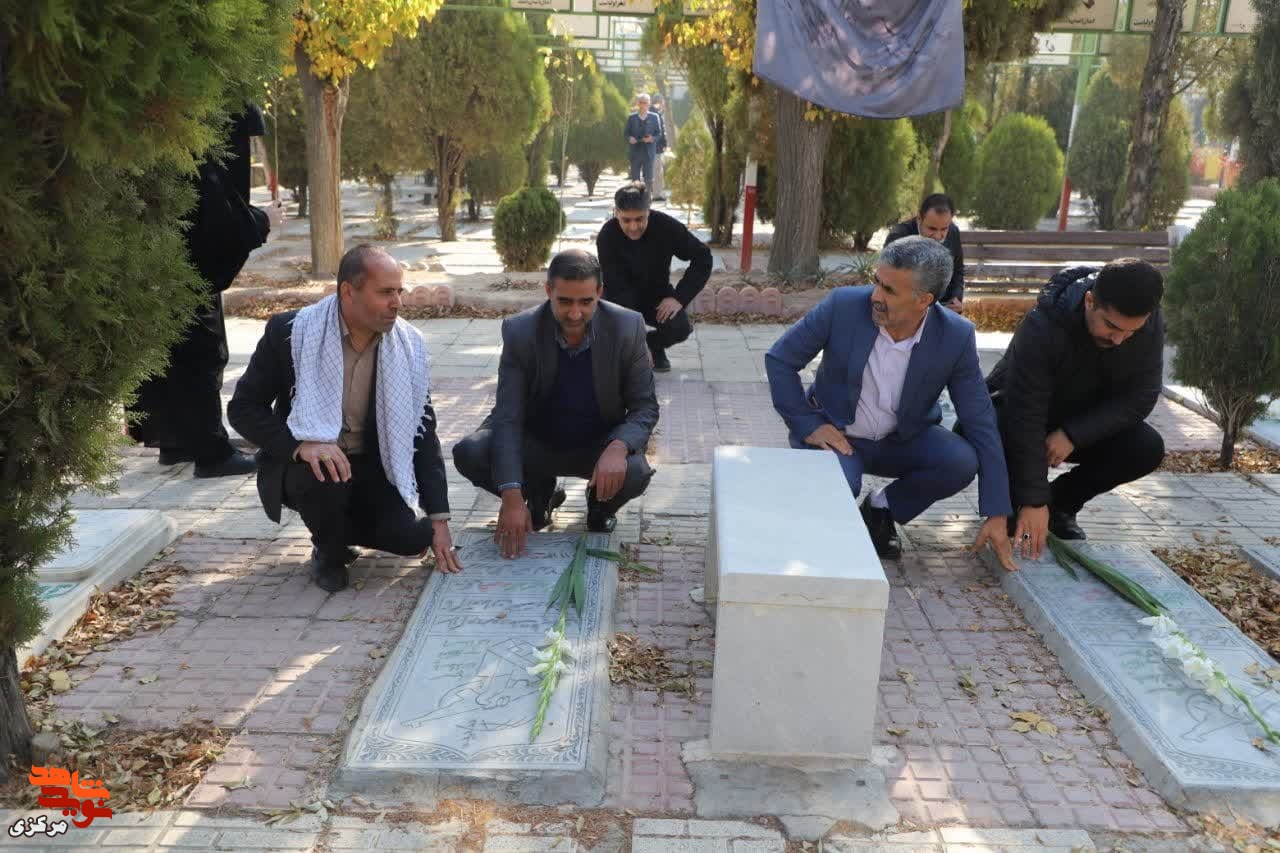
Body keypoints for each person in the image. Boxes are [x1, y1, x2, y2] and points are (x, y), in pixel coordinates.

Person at [765, 236, 1015, 568]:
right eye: (877, 282)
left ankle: (881, 510)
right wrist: (807, 423)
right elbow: (780, 360)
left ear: (924, 300)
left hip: (901, 440)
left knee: (960, 461)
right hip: (837, 437)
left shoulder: (955, 335)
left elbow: (979, 418)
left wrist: (997, 510)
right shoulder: (843, 306)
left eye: (889, 290)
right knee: (837, 491)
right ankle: (823, 521)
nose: (875, 296)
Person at [228, 245, 461, 592]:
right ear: (348, 292)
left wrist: (440, 519)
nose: (397, 303)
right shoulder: (291, 332)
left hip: (371, 466)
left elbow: (423, 434)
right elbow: (243, 409)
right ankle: (329, 550)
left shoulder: (408, 345)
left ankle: (335, 527)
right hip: (307, 466)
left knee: (414, 537)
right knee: (325, 476)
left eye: (399, 291)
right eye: (385, 292)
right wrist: (300, 447)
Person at [453, 249, 658, 558]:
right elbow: (508, 417)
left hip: (598, 445)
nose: (575, 314)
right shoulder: (520, 331)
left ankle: (600, 505)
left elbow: (645, 407)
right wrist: (511, 495)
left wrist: (618, 446)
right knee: (471, 452)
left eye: (586, 302)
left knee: (635, 471)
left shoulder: (626, 327)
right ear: (548, 290)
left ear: (600, 293)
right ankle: (537, 496)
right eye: (565, 302)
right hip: (537, 443)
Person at [128, 105, 282, 477]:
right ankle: (211, 453)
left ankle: (178, 441)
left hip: (158, 268)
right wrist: (263, 220)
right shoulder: (199, 160)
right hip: (187, 274)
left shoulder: (173, 146)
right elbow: (218, 224)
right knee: (201, 352)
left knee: (171, 353)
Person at [985, 260, 1166, 556]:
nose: (1119, 340)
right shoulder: (1043, 324)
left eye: (1130, 332)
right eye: (1111, 326)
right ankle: (1013, 506)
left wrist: (1073, 434)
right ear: (1089, 301)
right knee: (986, 433)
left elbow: (1141, 397)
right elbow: (1025, 412)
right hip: (1017, 415)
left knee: (1146, 447)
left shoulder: (1149, 323)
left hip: (1080, 423)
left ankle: (1060, 506)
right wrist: (1033, 500)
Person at [596, 182, 711, 372]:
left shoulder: (666, 227)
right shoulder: (607, 235)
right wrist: (636, 337)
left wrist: (679, 298)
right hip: (619, 297)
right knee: (607, 330)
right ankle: (630, 350)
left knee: (680, 328)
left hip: (656, 296)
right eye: (626, 220)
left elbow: (703, 257)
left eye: (639, 219)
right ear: (616, 213)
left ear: (648, 211)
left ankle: (653, 346)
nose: (633, 227)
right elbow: (616, 287)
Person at [884, 193, 965, 313]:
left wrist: (956, 298)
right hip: (907, 307)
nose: (938, 236)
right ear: (919, 218)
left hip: (945, 307)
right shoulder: (898, 236)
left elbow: (958, 270)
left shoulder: (953, 231)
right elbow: (889, 278)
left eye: (944, 229)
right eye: (932, 229)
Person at [625, 93, 663, 189]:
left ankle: (647, 197)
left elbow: (659, 133)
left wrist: (652, 138)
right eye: (641, 102)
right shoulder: (632, 117)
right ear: (638, 103)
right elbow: (626, 133)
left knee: (649, 179)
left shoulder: (655, 117)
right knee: (635, 179)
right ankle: (635, 196)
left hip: (648, 153)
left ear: (649, 104)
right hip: (635, 152)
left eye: (645, 103)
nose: (642, 105)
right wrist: (630, 138)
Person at [650, 94, 669, 201]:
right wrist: (664, 144)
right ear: (659, 102)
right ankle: (656, 194)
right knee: (657, 172)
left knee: (654, 171)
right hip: (656, 148)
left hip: (653, 148)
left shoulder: (654, 112)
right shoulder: (655, 114)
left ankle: (655, 193)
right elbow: (660, 132)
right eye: (663, 102)